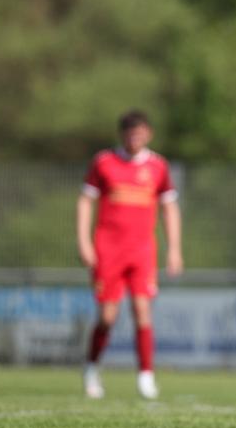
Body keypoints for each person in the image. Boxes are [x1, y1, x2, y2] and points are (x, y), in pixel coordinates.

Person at [77, 110, 183, 399]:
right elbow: (86, 201)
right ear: (122, 134)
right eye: (130, 132)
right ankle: (91, 368)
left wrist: (174, 248)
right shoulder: (104, 162)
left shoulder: (158, 166)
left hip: (142, 250)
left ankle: (145, 376)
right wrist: (84, 242)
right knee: (108, 316)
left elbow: (169, 208)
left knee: (142, 311)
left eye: (140, 131)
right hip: (108, 249)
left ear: (148, 133)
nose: (135, 137)